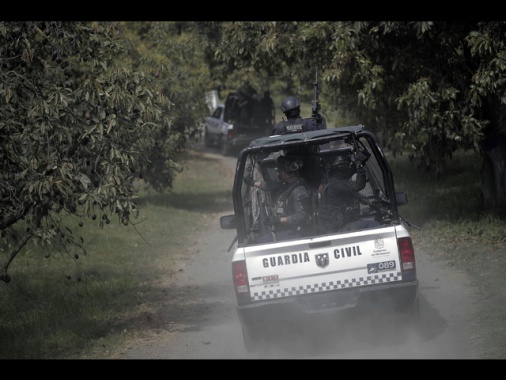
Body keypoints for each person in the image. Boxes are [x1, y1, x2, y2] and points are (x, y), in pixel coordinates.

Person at [243, 154, 312, 242]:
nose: (278, 173)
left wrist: (278, 220)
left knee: (261, 242)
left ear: (286, 173)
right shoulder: (287, 185)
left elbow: (302, 215)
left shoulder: (298, 191)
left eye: (280, 171)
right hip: (284, 231)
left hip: (294, 233)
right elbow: (271, 186)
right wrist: (252, 183)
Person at [317, 149, 378, 233]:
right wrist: (359, 165)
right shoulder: (336, 184)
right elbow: (358, 185)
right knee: (375, 225)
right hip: (341, 227)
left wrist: (361, 161)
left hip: (338, 225)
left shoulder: (332, 181)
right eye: (346, 166)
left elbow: (351, 172)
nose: (349, 169)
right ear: (341, 168)